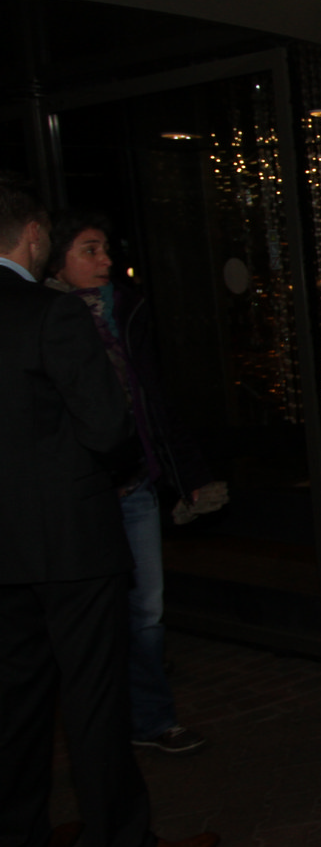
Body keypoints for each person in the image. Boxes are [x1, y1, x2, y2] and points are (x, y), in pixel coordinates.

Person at [0, 174, 217, 847]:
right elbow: (107, 429)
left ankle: (15, 845)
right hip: (68, 539)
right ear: (35, 235)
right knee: (92, 696)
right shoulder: (51, 314)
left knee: (18, 699)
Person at [46, 210, 223, 755]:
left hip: (136, 486)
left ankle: (151, 719)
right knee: (91, 618)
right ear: (56, 259)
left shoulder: (128, 312)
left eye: (106, 249)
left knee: (147, 611)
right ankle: (98, 726)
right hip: (78, 498)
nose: (105, 261)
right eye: (90, 250)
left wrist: (190, 474)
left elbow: (155, 401)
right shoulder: (42, 319)